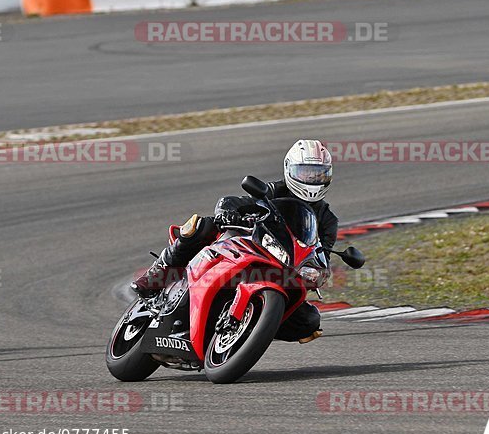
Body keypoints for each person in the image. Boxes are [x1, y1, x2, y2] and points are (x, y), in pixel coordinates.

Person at [131, 140, 337, 343]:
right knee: (201, 225)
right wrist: (228, 213)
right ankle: (156, 274)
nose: (312, 179)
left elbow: (322, 254)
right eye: (305, 172)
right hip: (254, 244)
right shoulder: (274, 191)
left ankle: (254, 327)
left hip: (286, 269)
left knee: (309, 320)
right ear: (289, 169)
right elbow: (235, 201)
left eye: (318, 173)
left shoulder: (328, 220)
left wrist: (317, 271)